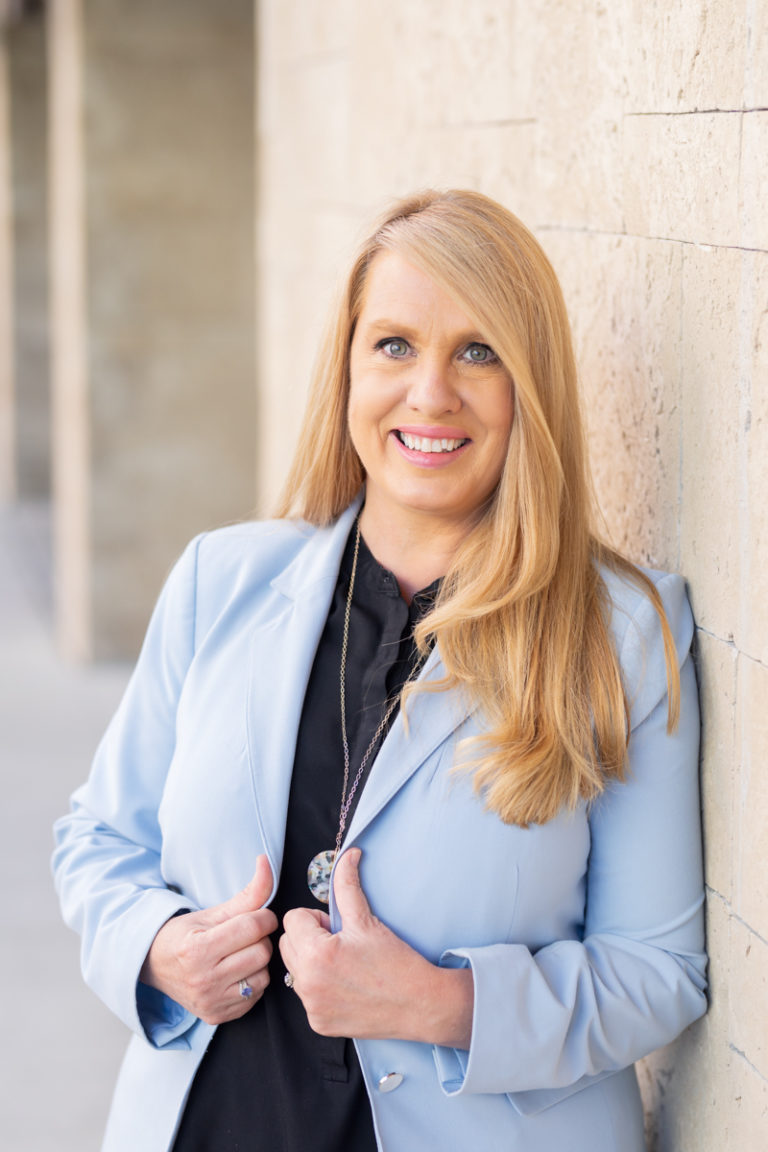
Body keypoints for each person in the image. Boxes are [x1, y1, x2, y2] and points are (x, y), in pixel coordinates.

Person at [53, 189, 706, 1152]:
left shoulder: (623, 631)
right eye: (394, 346)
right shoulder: (220, 581)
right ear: (349, 370)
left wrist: (446, 1005)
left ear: (532, 383)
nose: (431, 393)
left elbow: (659, 970)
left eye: (477, 351)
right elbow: (99, 840)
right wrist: (157, 949)